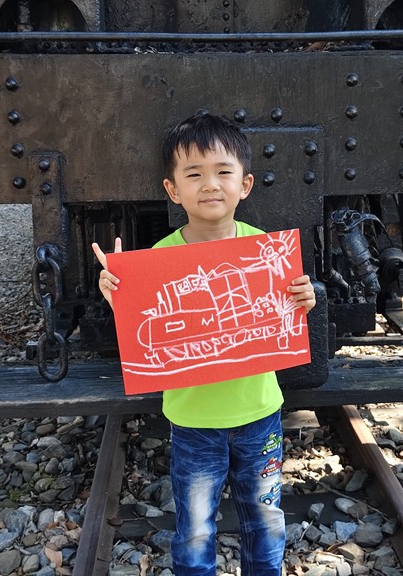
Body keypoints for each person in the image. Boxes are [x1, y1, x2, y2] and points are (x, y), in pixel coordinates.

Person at [92, 111, 316, 576]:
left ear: (245, 184)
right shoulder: (158, 259)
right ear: (173, 190)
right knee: (194, 529)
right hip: (193, 421)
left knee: (266, 521)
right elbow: (146, 332)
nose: (210, 184)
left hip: (259, 413)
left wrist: (303, 300)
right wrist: (120, 296)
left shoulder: (268, 251)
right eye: (194, 174)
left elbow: (283, 318)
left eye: (222, 172)